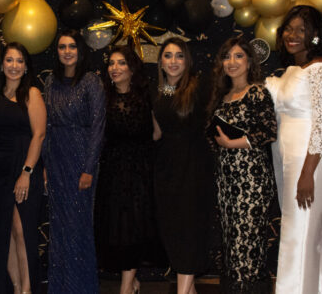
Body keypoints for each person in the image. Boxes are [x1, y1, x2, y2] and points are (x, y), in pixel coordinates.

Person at [264, 5, 322, 294]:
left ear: (316, 35)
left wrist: (308, 173)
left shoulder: (321, 69)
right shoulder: (291, 70)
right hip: (289, 160)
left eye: (301, 29)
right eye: (288, 28)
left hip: (311, 161)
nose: (292, 34)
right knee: (313, 238)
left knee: (297, 237)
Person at [208, 37, 277, 293]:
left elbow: (269, 131)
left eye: (238, 56)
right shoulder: (222, 96)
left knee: (248, 244)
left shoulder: (257, 92)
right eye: (227, 57)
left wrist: (231, 143)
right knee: (231, 244)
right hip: (227, 181)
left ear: (249, 62)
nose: (232, 62)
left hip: (252, 180)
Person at [42, 29, 105, 293]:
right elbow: (46, 125)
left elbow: (98, 127)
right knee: (59, 226)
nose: (67, 52)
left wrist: (88, 169)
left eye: (72, 47)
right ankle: (60, 287)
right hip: (56, 158)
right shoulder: (50, 82)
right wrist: (45, 166)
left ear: (80, 50)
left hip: (81, 159)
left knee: (78, 226)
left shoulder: (91, 81)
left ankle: (81, 286)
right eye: (61, 47)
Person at [152, 37, 216, 294]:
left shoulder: (198, 87)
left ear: (187, 60)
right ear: (161, 62)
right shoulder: (159, 90)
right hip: (166, 167)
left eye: (179, 55)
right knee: (173, 232)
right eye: (168, 56)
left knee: (190, 231)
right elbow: (157, 132)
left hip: (194, 166)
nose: (173, 61)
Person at [95, 46, 155, 294]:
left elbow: (157, 132)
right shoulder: (102, 97)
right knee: (116, 230)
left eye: (121, 63)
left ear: (132, 68)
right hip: (112, 173)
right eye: (111, 63)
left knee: (132, 229)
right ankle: (131, 282)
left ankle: (126, 287)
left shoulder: (146, 96)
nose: (115, 68)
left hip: (138, 173)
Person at [0, 42, 47, 294]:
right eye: (10, 60)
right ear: (2, 65)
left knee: (22, 231)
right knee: (5, 233)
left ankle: (27, 289)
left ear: (26, 67)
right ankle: (11, 287)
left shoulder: (31, 93)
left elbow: (39, 135)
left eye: (19, 61)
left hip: (24, 166)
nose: (14, 66)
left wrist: (27, 172)